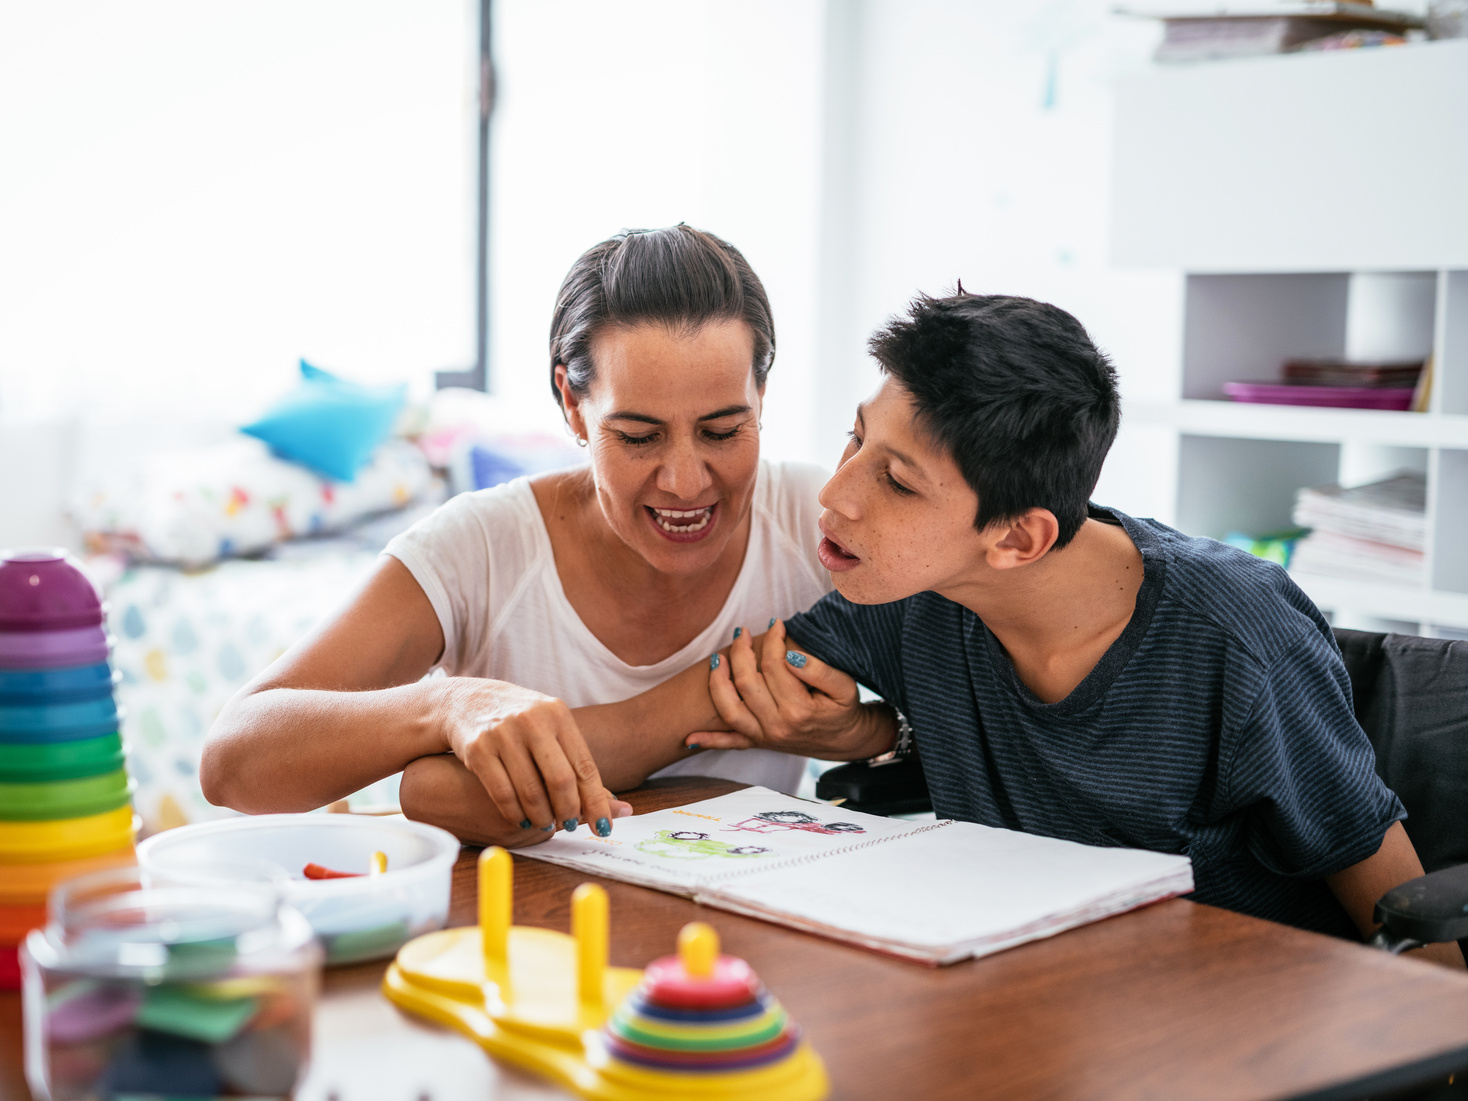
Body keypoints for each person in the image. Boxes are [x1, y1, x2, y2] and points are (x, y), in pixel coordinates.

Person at [682, 289, 1464, 966]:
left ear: (1017, 539)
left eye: (896, 480)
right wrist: (553, 727)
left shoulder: (1237, 637)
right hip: (1042, 995)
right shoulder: (914, 589)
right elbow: (675, 715)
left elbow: (1407, 919)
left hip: (1240, 1029)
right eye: (857, 438)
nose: (839, 494)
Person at [199, 225, 832, 845]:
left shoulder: (817, 520)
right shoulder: (481, 549)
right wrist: (448, 708)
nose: (687, 482)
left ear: (762, 394)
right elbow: (233, 761)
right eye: (639, 437)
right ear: (572, 403)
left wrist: (872, 731)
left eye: (723, 431)